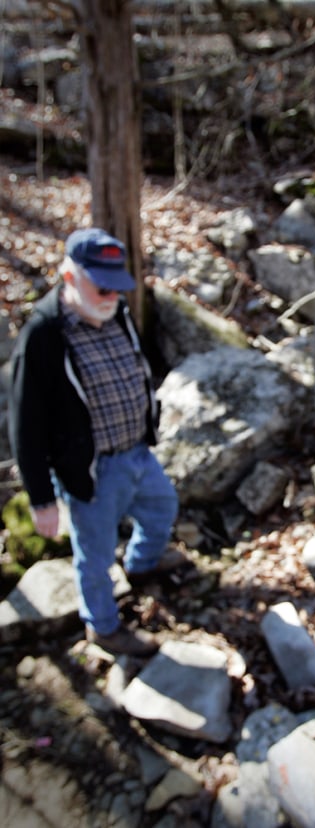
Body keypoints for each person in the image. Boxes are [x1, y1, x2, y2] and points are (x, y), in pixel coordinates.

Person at [9, 227, 180, 656]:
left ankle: (141, 564)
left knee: (163, 508)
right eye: (101, 287)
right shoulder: (44, 335)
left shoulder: (114, 310)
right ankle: (103, 626)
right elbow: (25, 424)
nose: (111, 296)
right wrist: (41, 499)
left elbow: (139, 364)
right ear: (70, 278)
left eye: (117, 287)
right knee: (95, 557)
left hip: (138, 452)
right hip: (92, 471)